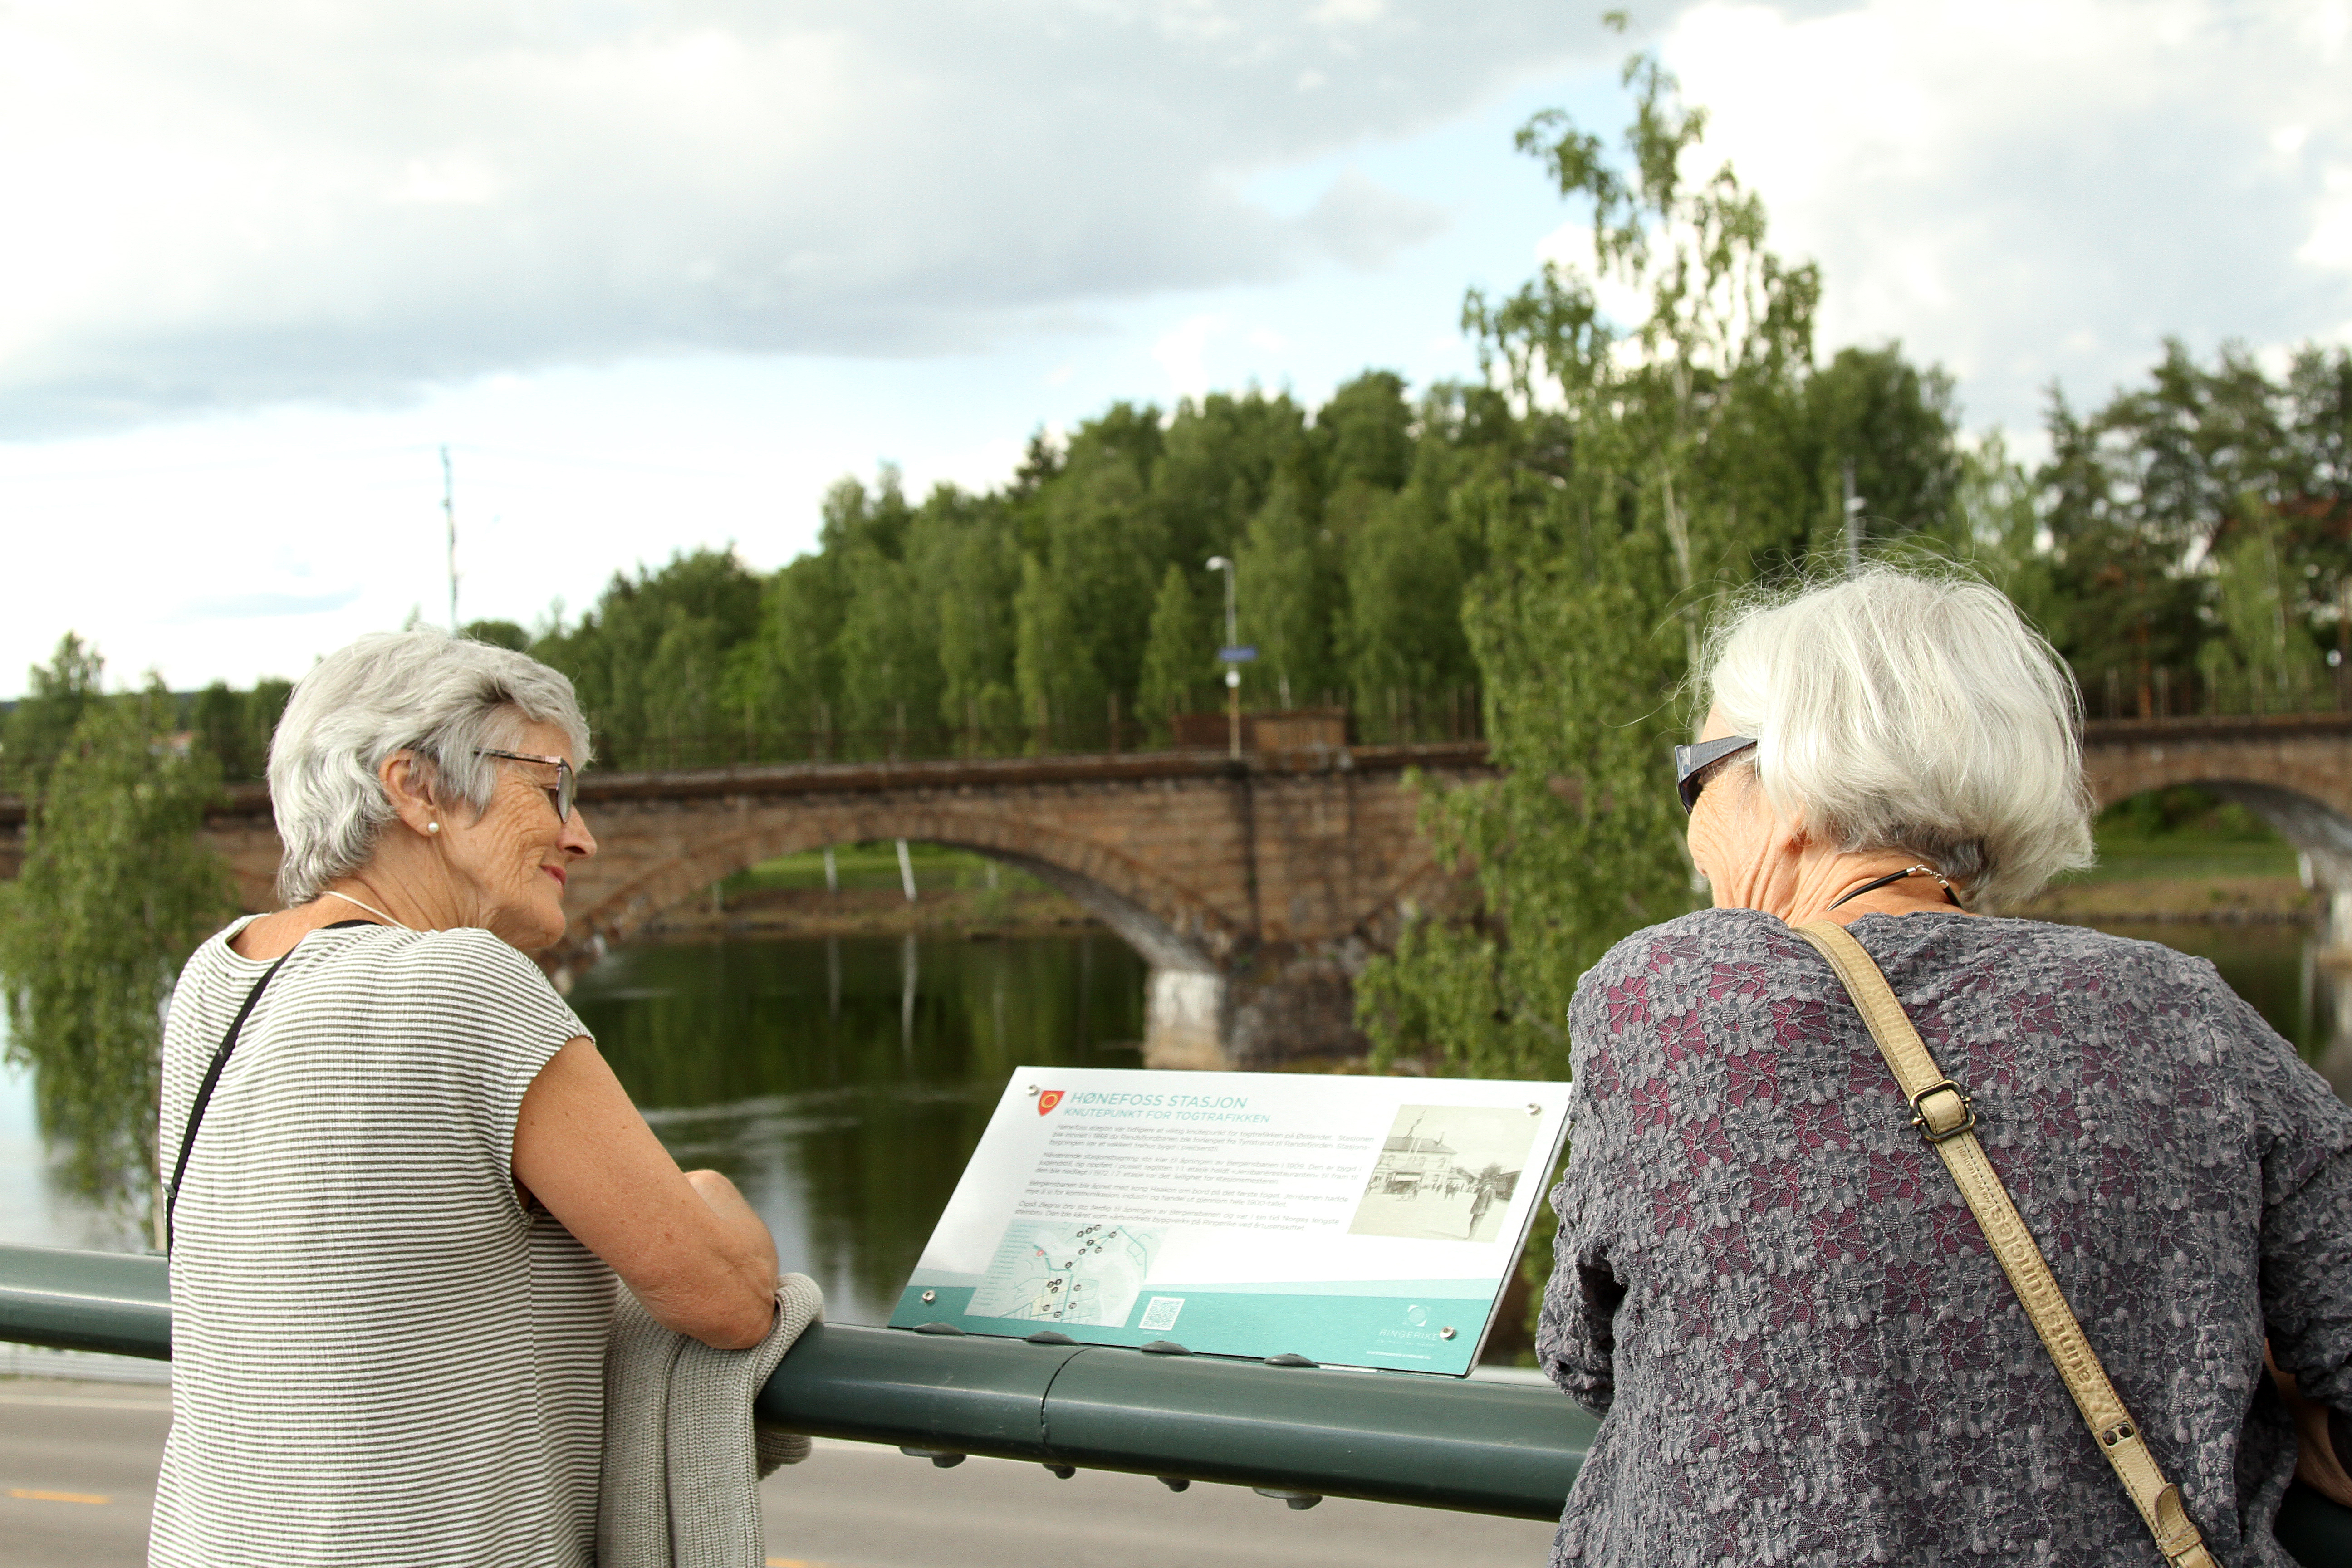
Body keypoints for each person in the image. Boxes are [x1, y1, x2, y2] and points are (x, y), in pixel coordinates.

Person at [1538, 567, 2352, 1565]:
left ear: (1790, 785)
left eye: (1697, 772)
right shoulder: (2191, 1012)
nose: (1695, 827)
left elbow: (1584, 1357)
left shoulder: (1671, 992)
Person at [150, 629, 782, 1568]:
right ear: (415, 787)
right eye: (551, 787)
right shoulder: (462, 982)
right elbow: (726, 1299)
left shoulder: (220, 974)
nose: (582, 833)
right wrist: (709, 1197)